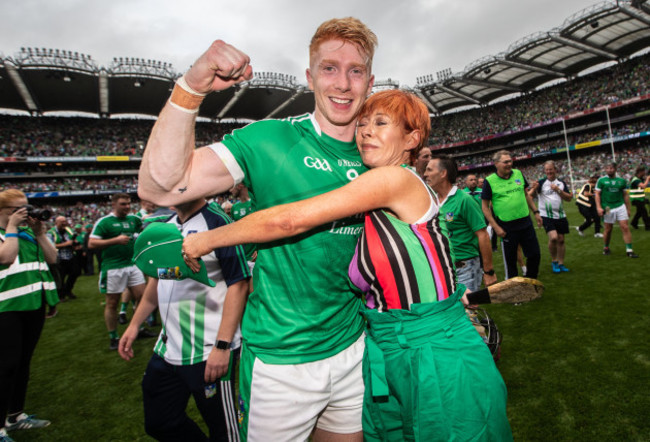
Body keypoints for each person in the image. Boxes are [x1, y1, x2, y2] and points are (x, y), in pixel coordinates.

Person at [183, 90, 512, 441]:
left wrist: (204, 240)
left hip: (430, 350)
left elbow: (289, 221)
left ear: (412, 138)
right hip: (391, 346)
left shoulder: (393, 179)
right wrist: (448, 295)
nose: (366, 130)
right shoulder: (380, 199)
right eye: (364, 122)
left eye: (381, 123)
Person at [138, 18, 377, 441]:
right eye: (329, 68)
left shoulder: (380, 156)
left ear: (369, 80)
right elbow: (160, 188)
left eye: (355, 70)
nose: (343, 83)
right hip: (281, 361)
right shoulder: (269, 139)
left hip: (354, 348)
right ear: (309, 76)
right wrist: (190, 87)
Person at [119, 198, 250, 442]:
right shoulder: (167, 224)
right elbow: (158, 279)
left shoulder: (218, 221)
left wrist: (222, 346)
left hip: (207, 349)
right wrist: (135, 324)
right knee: (160, 422)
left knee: (224, 432)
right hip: (167, 347)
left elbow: (239, 284)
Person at [0, 190, 58, 442]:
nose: (25, 212)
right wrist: (11, 227)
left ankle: (16, 415)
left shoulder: (28, 234)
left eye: (26, 207)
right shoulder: (8, 235)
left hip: (33, 304)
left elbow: (52, 258)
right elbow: (6, 256)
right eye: (17, 209)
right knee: (5, 366)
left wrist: (40, 234)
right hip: (6, 308)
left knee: (23, 364)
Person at [425, 156, 497, 292]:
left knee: (468, 311)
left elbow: (483, 235)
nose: (425, 174)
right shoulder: (431, 201)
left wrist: (488, 271)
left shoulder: (465, 200)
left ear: (443, 173)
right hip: (441, 269)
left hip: (465, 269)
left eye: (429, 170)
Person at [88, 193, 148, 350]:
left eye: (128, 203)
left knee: (142, 297)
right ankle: (113, 337)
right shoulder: (104, 222)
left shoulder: (134, 220)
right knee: (112, 303)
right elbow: (92, 243)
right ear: (113, 204)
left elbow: (143, 233)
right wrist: (115, 240)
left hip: (132, 264)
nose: (127, 207)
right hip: (113, 267)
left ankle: (139, 329)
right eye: (123, 204)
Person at [481, 150, 542, 279]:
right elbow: (485, 207)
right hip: (506, 227)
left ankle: (531, 281)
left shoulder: (518, 173)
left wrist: (536, 212)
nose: (509, 164)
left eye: (510, 161)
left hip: (526, 222)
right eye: (505, 162)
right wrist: (496, 227)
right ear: (496, 164)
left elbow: (526, 195)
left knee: (534, 255)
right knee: (511, 261)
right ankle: (514, 289)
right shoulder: (489, 181)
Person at [529, 160, 573, 273]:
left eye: (550, 169)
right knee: (553, 237)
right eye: (547, 169)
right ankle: (554, 261)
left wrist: (558, 190)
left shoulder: (561, 183)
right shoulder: (541, 182)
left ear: (555, 170)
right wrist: (534, 188)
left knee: (561, 240)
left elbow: (569, 198)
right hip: (546, 215)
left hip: (560, 215)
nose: (548, 171)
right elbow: (530, 196)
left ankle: (561, 263)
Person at [595, 163, 638, 258]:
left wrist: (628, 208)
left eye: (611, 168)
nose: (609, 170)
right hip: (607, 207)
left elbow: (625, 195)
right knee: (608, 229)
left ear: (615, 169)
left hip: (620, 206)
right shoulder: (601, 180)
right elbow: (597, 194)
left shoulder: (622, 181)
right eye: (607, 168)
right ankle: (606, 247)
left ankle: (629, 250)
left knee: (625, 227)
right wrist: (598, 207)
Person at [47, 216, 80, 301]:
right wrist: (65, 244)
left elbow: (73, 241)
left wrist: (75, 243)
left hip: (70, 256)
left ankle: (68, 290)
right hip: (59, 258)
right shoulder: (51, 233)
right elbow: (50, 246)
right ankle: (60, 295)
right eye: (62, 222)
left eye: (65, 221)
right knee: (60, 277)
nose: (64, 223)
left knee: (75, 273)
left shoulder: (69, 230)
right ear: (56, 223)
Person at [629, 166, 650, 231]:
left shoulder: (639, 179)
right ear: (640, 172)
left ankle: (634, 223)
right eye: (643, 171)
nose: (644, 173)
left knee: (639, 212)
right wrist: (648, 179)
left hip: (640, 198)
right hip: (636, 199)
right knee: (644, 212)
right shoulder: (636, 180)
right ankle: (648, 226)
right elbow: (643, 186)